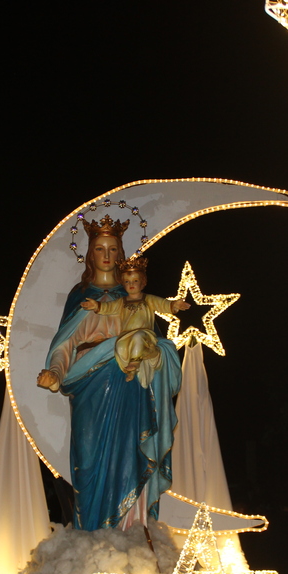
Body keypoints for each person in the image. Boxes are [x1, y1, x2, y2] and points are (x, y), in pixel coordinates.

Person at [36, 215, 182, 531]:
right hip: (89, 386)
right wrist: (56, 373)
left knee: (128, 457)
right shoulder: (80, 296)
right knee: (87, 462)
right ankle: (91, 533)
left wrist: (155, 355)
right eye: (99, 248)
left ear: (120, 254)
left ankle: (129, 529)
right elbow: (66, 342)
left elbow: (153, 343)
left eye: (113, 249)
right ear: (90, 254)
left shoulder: (134, 298)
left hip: (129, 385)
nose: (106, 256)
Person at [80, 257, 190, 387]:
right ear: (123, 284)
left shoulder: (147, 299)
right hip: (126, 335)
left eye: (135, 281)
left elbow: (163, 304)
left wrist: (174, 305)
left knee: (138, 338)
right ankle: (130, 371)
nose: (131, 284)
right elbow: (108, 307)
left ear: (143, 283)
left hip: (145, 334)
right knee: (120, 347)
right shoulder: (122, 302)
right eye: (127, 282)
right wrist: (96, 305)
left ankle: (136, 363)